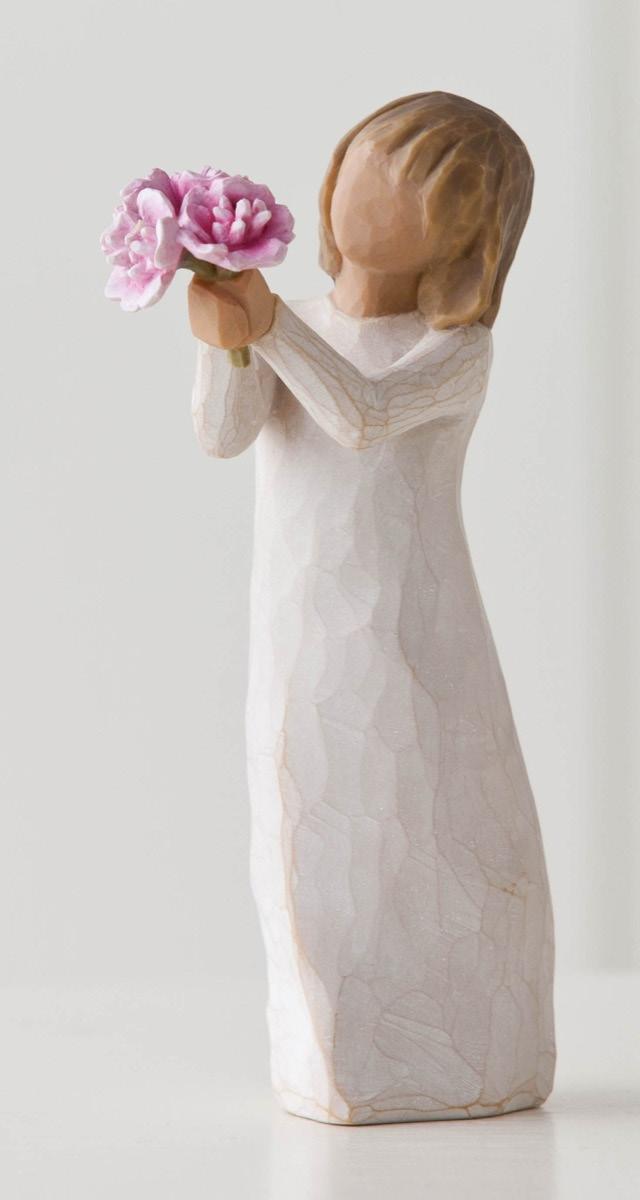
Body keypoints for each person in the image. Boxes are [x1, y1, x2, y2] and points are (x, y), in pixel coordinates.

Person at [189, 92, 555, 1125]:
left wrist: (267, 328)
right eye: (364, 163)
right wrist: (226, 341)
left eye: (408, 187)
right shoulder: (297, 324)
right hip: (298, 638)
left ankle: (472, 1056)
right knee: (309, 837)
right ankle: (334, 1056)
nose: (365, 192)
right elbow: (224, 433)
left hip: (416, 641)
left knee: (434, 834)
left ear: (466, 241)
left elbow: (365, 413)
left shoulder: (456, 355)